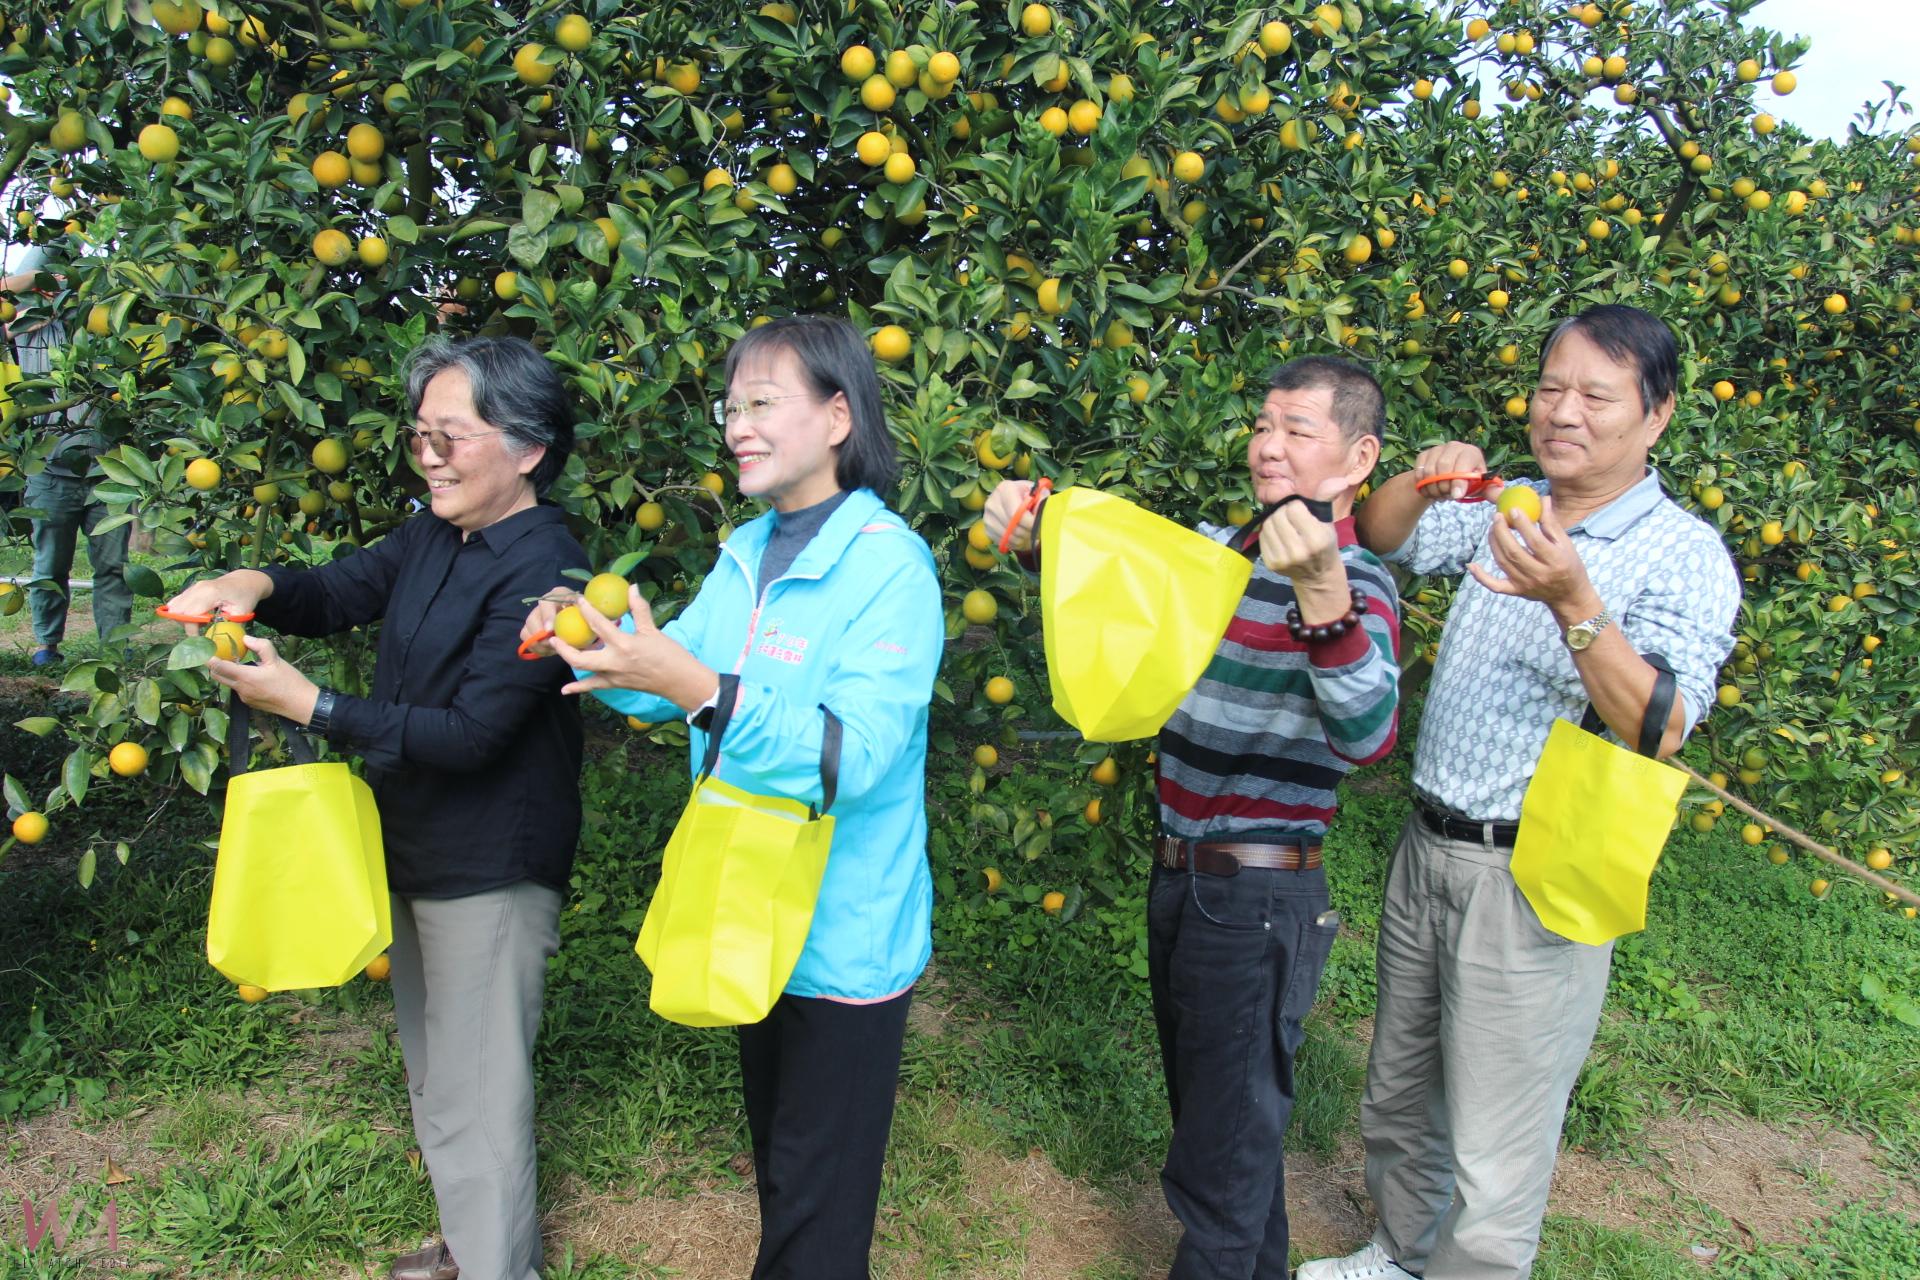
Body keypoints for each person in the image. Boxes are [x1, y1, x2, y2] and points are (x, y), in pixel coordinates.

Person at [1299, 305, 1741, 1280]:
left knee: (1496, 1143)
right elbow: (1381, 535)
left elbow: (1661, 726)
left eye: (1596, 395)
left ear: (1657, 414)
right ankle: (1401, 1252)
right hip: (1430, 843)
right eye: (1550, 388)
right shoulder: (1512, 503)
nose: (1563, 411)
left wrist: (1574, 600)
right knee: (1400, 1090)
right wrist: (1424, 482)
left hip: (1536, 869)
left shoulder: (1684, 553)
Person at [521, 315, 943, 1280]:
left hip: (842, 935)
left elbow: (851, 757)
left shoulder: (889, 566)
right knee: (785, 1175)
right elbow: (670, 683)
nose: (737, 427)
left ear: (838, 417)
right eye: (730, 407)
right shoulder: (750, 548)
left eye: (761, 403)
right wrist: (596, 643)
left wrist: (699, 688)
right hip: (749, 910)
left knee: (817, 1212)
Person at [161, 336, 586, 1280]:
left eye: (451, 436)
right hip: (412, 838)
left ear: (528, 448)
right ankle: (471, 1248)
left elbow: (473, 734)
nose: (430, 455)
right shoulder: (434, 534)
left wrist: (310, 705)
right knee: (437, 1069)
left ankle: (498, 1269)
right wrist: (247, 586)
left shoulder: (547, 572)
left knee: (479, 1090)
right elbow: (331, 593)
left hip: (490, 859)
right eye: (420, 435)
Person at [984, 356, 1402, 1279]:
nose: (1269, 446)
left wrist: (1321, 591)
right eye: (1262, 426)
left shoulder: (1359, 581)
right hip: (1182, 876)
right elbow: (1118, 576)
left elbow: (1370, 735)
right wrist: (1032, 524)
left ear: (1358, 457)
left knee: (1220, 1164)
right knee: (1226, 1137)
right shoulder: (1217, 554)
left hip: (1258, 898)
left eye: (1297, 430)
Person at [3, 247, 131, 666]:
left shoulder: (100, 321)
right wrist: (28, 288)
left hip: (108, 471)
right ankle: (47, 646)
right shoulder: (19, 329)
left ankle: (116, 648)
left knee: (113, 567)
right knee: (49, 566)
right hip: (49, 469)